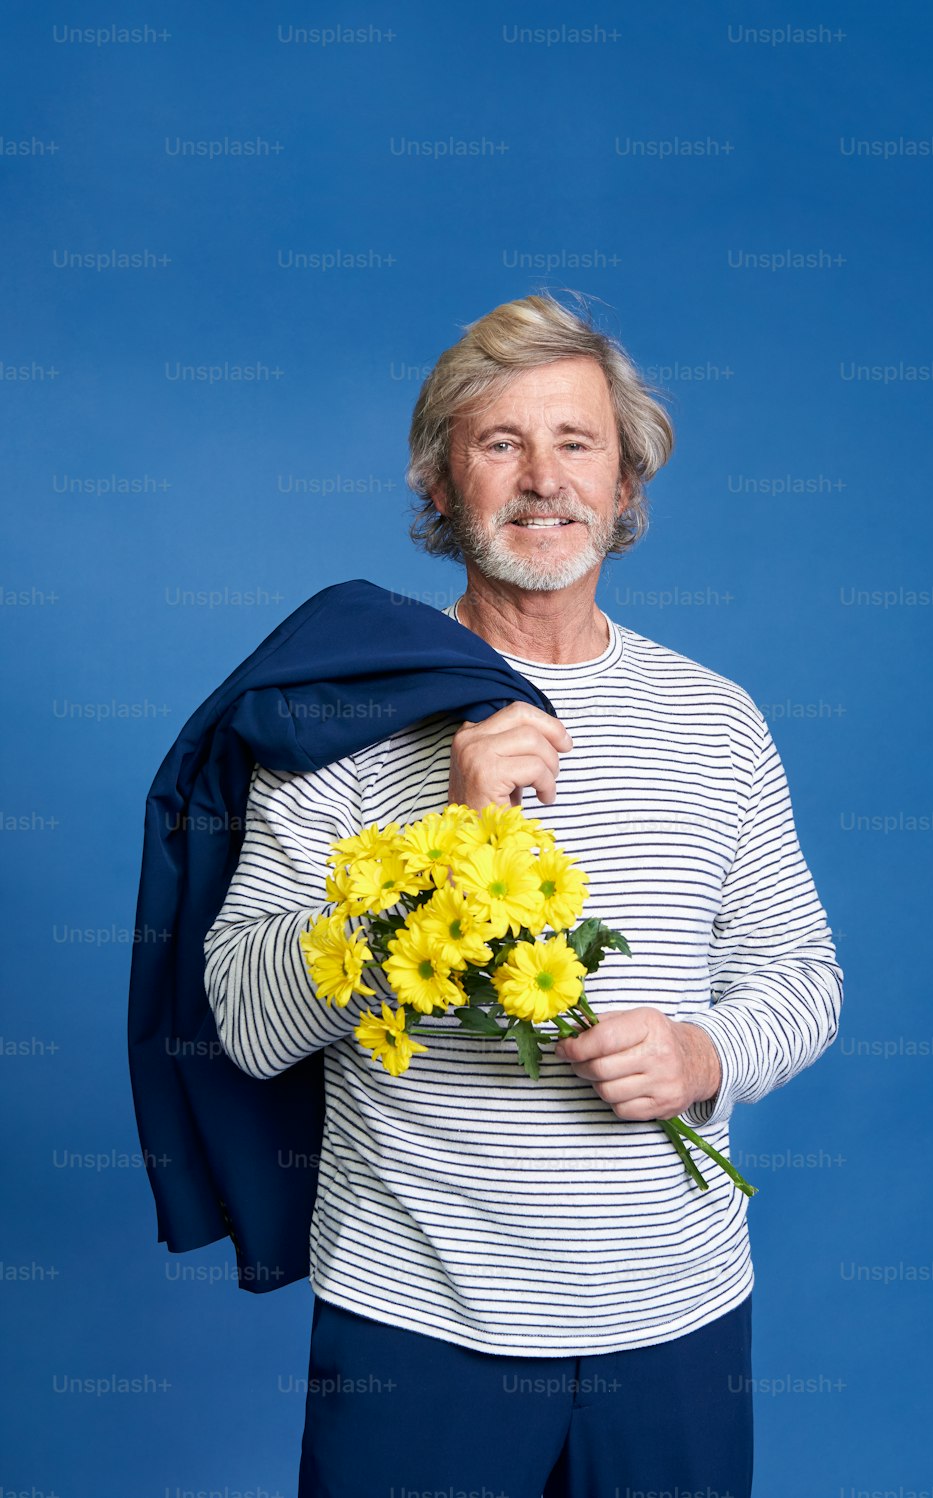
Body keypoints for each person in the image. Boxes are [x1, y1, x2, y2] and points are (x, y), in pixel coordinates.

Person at [203, 293, 843, 1498]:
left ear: (626, 486)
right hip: (417, 1320)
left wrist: (704, 1051)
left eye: (576, 443)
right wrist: (449, 847)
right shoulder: (337, 718)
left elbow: (801, 978)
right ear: (439, 486)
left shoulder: (716, 721)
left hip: (677, 1322)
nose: (542, 479)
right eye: (499, 443)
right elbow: (245, 1016)